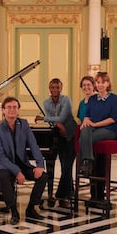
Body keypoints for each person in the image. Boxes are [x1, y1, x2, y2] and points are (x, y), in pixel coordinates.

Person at [0, 97, 48, 225]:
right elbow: (0, 156)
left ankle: (31, 209)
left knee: (43, 176)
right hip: (4, 165)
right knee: (3, 176)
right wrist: (17, 172)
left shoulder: (24, 124)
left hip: (21, 163)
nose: (12, 110)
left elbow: (34, 145)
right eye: (9, 107)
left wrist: (40, 164)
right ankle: (14, 211)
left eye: (15, 107)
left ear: (18, 110)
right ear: (3, 111)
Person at [78, 72, 117, 200]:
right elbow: (87, 116)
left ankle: (85, 163)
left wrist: (95, 124)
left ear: (108, 83)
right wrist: (85, 123)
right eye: (98, 82)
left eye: (103, 82)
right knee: (83, 131)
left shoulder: (114, 98)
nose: (100, 85)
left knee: (85, 137)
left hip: (109, 130)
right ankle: (89, 161)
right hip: (94, 128)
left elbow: (113, 119)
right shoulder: (92, 99)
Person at [35, 78, 77, 208]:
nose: (55, 90)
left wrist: (44, 118)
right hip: (58, 134)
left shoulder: (66, 100)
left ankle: (62, 195)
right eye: (52, 87)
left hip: (71, 134)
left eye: (57, 87)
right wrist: (58, 124)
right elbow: (56, 121)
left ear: (61, 88)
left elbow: (63, 117)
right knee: (65, 166)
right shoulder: (46, 102)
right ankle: (69, 193)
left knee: (67, 165)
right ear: (49, 89)